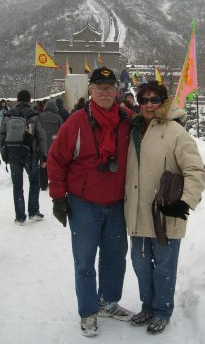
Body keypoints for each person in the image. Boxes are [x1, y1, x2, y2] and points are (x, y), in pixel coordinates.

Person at [48, 66, 133, 337]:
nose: (105, 92)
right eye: (100, 88)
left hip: (117, 202)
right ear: (91, 91)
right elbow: (56, 159)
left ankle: (108, 302)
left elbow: (155, 124)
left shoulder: (127, 120)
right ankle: (87, 312)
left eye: (110, 88)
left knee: (115, 257)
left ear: (117, 92)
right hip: (84, 203)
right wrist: (58, 197)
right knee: (84, 260)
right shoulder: (76, 122)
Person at [124, 80, 205, 334]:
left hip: (165, 212)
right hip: (137, 211)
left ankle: (162, 310)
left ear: (163, 102)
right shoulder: (133, 129)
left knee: (164, 266)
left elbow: (195, 170)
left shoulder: (175, 132)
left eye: (154, 100)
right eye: (144, 100)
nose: (149, 105)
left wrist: (185, 202)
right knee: (140, 264)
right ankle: (147, 306)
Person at [0, 89, 47, 225]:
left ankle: (20, 216)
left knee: (17, 185)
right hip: (30, 153)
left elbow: (2, 134)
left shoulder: (8, 114)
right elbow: (41, 137)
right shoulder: (34, 114)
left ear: (17, 99)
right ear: (29, 100)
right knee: (34, 181)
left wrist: (4, 154)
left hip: (13, 152)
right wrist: (44, 156)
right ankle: (33, 211)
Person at [39, 100, 63, 190]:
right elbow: (62, 132)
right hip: (54, 145)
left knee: (43, 164)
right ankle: (54, 182)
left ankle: (43, 184)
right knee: (54, 164)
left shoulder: (39, 117)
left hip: (42, 144)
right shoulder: (58, 118)